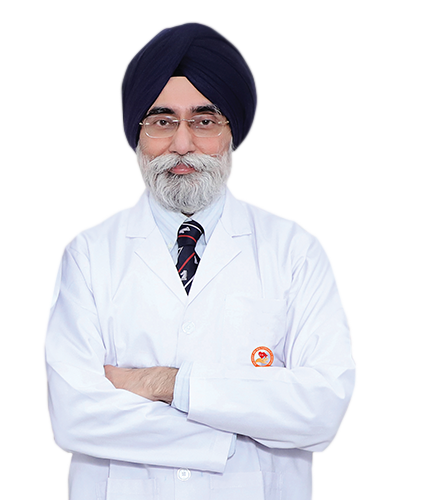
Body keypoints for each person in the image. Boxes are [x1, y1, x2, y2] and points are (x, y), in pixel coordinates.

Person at [44, 20, 357, 500]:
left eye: (204, 121)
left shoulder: (294, 252)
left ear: (233, 131)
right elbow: (75, 415)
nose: (182, 144)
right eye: (162, 121)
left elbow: (320, 410)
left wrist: (168, 384)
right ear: (138, 134)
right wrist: (241, 427)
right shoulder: (89, 255)